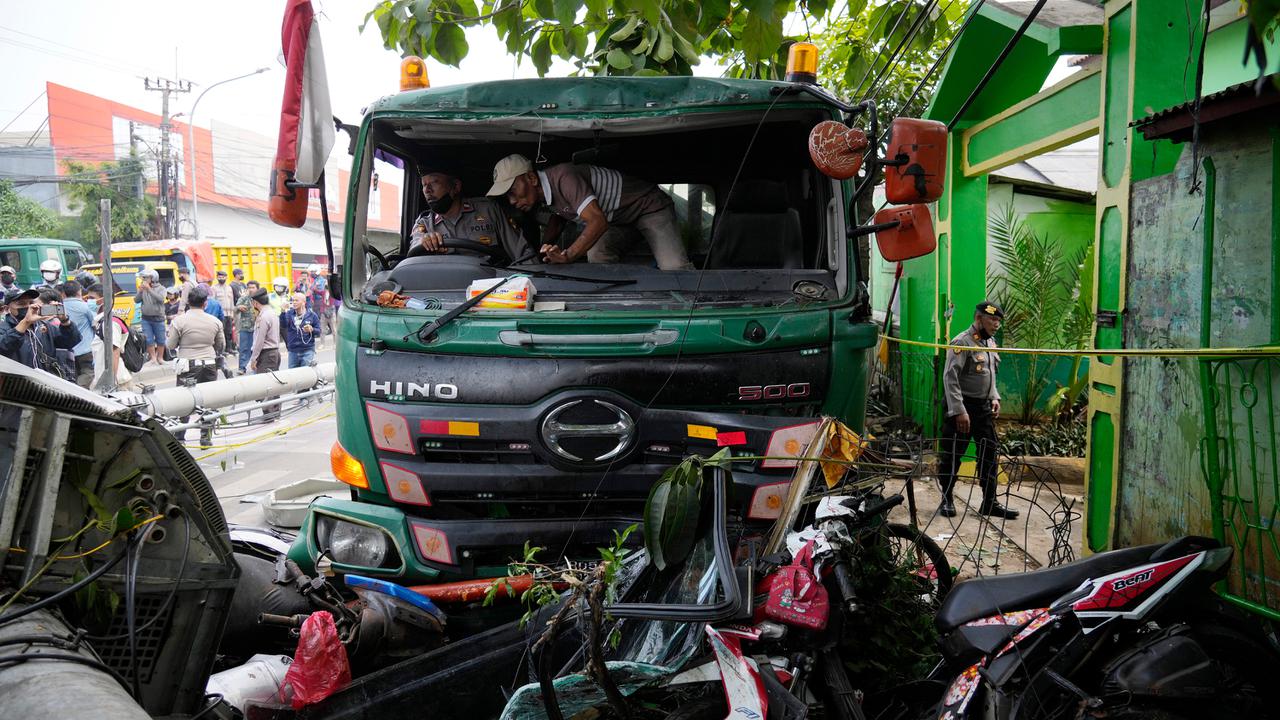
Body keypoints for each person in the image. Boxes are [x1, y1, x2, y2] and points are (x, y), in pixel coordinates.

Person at [488, 154, 693, 270]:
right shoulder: (541, 195)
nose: (512, 201)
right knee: (597, 254)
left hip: (648, 207)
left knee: (674, 267)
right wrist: (539, 253)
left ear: (531, 179)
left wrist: (567, 255)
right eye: (508, 197)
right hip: (617, 220)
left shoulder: (564, 177)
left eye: (513, 191)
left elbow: (597, 221)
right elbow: (559, 218)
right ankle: (616, 304)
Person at [938, 300, 1019, 520]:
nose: (996, 324)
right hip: (962, 407)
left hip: (983, 408)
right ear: (978, 318)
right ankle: (946, 499)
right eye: (992, 319)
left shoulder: (990, 343)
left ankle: (990, 503)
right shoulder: (962, 342)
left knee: (989, 455)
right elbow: (950, 378)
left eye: (998, 320)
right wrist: (959, 411)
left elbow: (990, 374)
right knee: (953, 455)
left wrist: (994, 397)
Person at [406, 161, 534, 265]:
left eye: (434, 182)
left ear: (456, 187)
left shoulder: (489, 210)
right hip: (444, 287)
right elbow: (415, 244)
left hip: (490, 285)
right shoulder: (424, 222)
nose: (427, 190)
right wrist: (424, 240)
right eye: (424, 185)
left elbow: (522, 252)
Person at [167, 287, 225, 447]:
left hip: (188, 364)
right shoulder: (215, 321)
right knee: (209, 400)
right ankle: (205, 437)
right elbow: (221, 345)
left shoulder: (179, 321)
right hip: (209, 364)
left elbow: (170, 344)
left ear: (187, 303)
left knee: (184, 400)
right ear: (205, 304)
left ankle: (180, 436)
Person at [0, 287, 81, 377]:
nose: (28, 307)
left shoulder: (43, 326)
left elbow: (70, 342)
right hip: (17, 384)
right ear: (7, 309)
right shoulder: (3, 328)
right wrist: (25, 322)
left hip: (45, 383)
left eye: (31, 303)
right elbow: (4, 347)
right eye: (21, 304)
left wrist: (65, 321)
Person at [248, 288, 282, 421]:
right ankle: (274, 413)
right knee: (273, 384)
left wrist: (254, 358)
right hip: (273, 353)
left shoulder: (263, 316)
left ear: (255, 303)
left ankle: (269, 414)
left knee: (266, 386)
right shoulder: (272, 313)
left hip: (266, 354)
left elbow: (259, 340)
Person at [59, 280, 96, 388]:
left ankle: (75, 391)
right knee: (88, 373)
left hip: (68, 350)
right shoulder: (85, 307)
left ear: (63, 293)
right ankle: (79, 391)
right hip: (86, 349)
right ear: (79, 292)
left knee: (72, 375)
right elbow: (94, 324)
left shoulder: (59, 308)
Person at [91, 311, 136, 392]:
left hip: (116, 382)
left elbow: (115, 351)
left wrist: (111, 381)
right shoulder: (104, 322)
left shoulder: (110, 323)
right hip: (107, 379)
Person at [134, 270, 167, 366]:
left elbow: (161, 299)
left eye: (146, 278)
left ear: (153, 278)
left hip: (158, 318)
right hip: (146, 318)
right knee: (148, 339)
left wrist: (149, 289)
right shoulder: (143, 289)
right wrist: (140, 292)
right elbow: (136, 300)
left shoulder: (161, 288)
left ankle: (160, 358)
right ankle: (153, 358)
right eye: (143, 278)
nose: (144, 280)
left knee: (161, 339)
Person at [282, 292, 320, 368]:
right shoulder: (289, 314)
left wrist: (311, 329)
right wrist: (283, 312)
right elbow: (283, 325)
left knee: (306, 375)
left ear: (303, 302)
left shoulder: (312, 315)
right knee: (293, 376)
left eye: (296, 300)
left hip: (307, 350)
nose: (294, 303)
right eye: (293, 300)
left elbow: (319, 331)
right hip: (293, 351)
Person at [234, 280, 261, 374]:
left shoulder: (261, 298)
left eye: (253, 287)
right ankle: (242, 368)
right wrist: (239, 307)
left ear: (257, 288)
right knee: (244, 348)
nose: (251, 289)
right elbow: (236, 308)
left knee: (257, 347)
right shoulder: (244, 298)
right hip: (245, 327)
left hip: (258, 327)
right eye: (249, 288)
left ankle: (257, 365)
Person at [210, 270, 237, 352]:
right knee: (221, 332)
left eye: (223, 277)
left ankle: (229, 348)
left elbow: (232, 301)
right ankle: (222, 349)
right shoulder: (214, 288)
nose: (221, 278)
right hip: (220, 314)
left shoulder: (229, 288)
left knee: (228, 332)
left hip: (229, 314)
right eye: (219, 277)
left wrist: (232, 314)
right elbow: (213, 302)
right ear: (217, 278)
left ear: (226, 277)